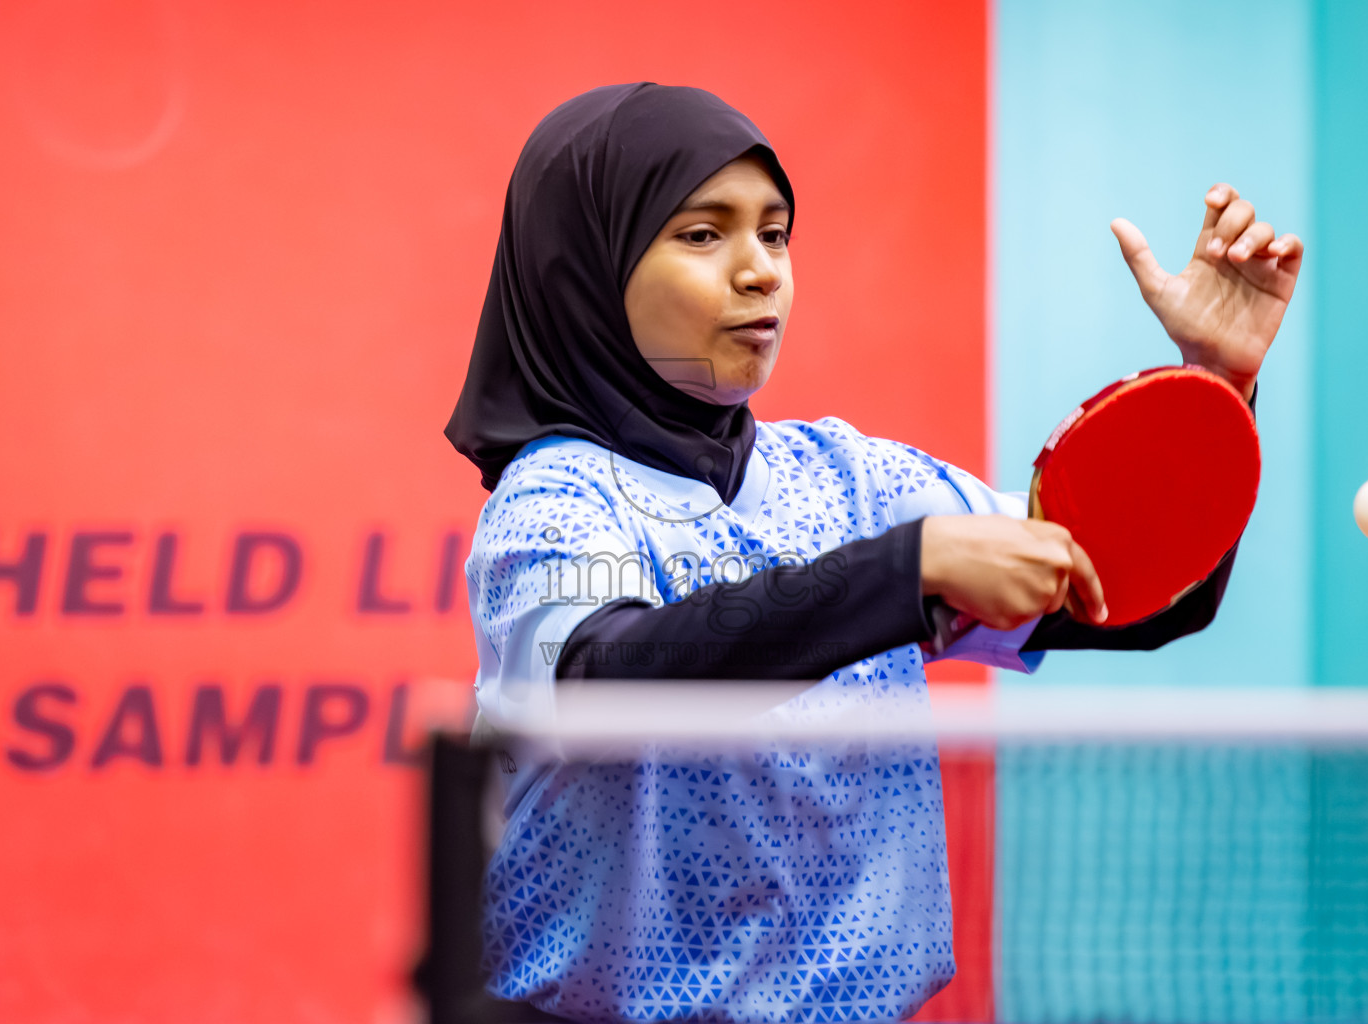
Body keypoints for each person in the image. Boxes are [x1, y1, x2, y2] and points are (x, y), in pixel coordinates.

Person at [445, 83, 1302, 1023]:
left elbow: (1136, 597)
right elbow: (611, 677)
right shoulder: (557, 500)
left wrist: (1215, 391)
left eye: (776, 234)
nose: (761, 271)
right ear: (588, 270)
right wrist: (905, 571)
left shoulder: (854, 479)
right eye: (703, 234)